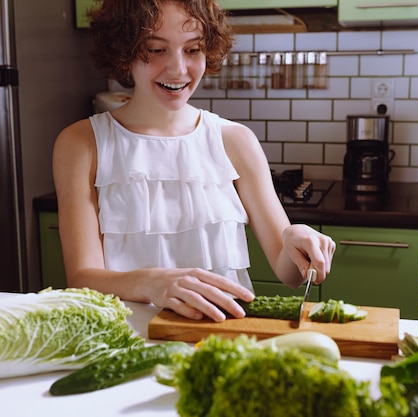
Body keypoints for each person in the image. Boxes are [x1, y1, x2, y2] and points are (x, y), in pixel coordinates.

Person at [52, 0, 336, 323]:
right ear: (123, 50)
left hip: (223, 348)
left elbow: (289, 273)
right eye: (156, 49)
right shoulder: (81, 144)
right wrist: (153, 282)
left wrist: (296, 241)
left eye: (193, 49)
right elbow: (82, 279)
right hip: (126, 346)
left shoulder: (236, 141)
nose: (178, 69)